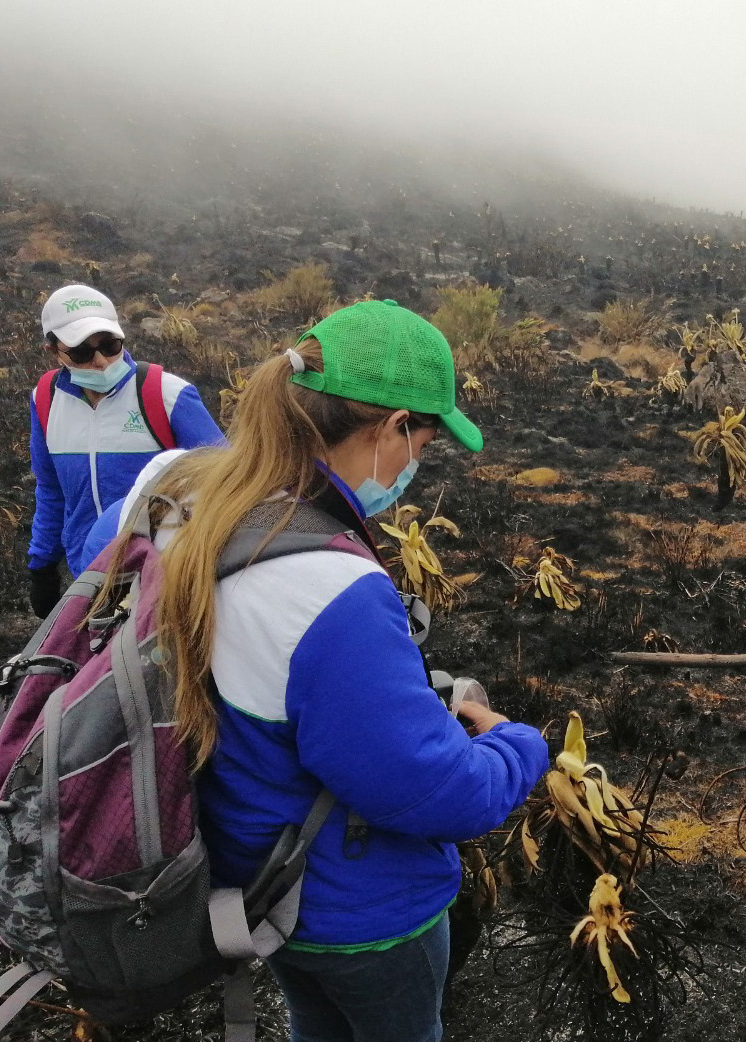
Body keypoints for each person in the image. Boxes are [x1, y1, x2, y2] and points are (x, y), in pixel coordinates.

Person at [144, 300, 548, 1042]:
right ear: (393, 426)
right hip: (360, 914)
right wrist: (514, 744)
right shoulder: (330, 590)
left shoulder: (186, 504)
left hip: (257, 885)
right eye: (425, 439)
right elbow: (436, 793)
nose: (418, 464)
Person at [26, 284, 223, 615]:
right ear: (54, 351)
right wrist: (41, 566)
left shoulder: (167, 395)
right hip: (88, 574)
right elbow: (51, 490)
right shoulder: (45, 400)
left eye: (110, 345)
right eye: (82, 352)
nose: (101, 361)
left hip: (167, 577)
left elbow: (225, 480)